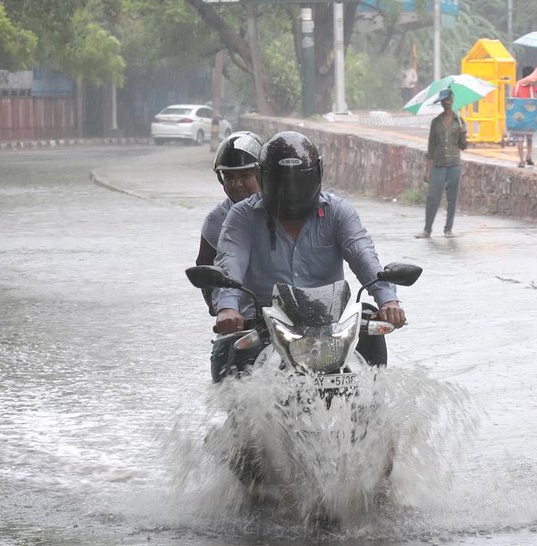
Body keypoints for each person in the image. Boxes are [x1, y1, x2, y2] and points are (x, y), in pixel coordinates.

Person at [212, 131, 406, 380]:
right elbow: (231, 263)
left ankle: (371, 410)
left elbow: (364, 255)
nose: (291, 191)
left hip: (331, 324)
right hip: (265, 323)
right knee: (227, 363)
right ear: (265, 177)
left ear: (317, 174)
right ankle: (241, 418)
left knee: (371, 336)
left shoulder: (338, 212)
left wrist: (388, 301)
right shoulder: (242, 216)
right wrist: (228, 309)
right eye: (282, 183)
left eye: (298, 182)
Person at [198, 131, 263, 382]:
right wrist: (223, 311)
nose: (236, 184)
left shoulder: (282, 209)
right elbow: (205, 268)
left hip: (291, 312)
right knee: (224, 367)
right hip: (245, 320)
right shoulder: (216, 220)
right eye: (229, 177)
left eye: (245, 176)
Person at [418, 89, 467, 238]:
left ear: (452, 100)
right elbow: (431, 148)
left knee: (452, 198)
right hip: (438, 164)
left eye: (447, 100)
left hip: (454, 164)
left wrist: (464, 134)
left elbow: (463, 146)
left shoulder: (459, 121)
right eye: (443, 101)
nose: (445, 103)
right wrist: (428, 170)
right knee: (433, 197)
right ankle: (427, 229)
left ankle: (448, 229)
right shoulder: (436, 122)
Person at [510, 65, 537, 167]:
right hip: (529, 117)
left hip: (518, 117)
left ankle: (521, 160)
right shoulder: (532, 87)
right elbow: (535, 100)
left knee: (520, 139)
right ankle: (528, 156)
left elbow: (512, 100)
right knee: (529, 138)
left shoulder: (516, 86)